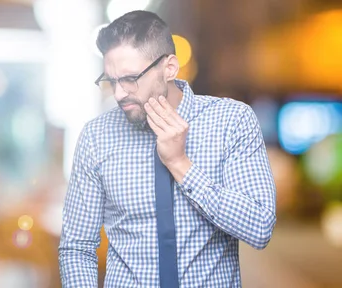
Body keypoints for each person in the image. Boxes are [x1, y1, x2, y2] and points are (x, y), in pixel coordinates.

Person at [58, 10, 276, 288]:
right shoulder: (96, 136)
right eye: (112, 80)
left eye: (130, 78)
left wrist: (180, 164)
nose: (119, 93)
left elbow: (259, 227)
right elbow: (78, 247)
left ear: (170, 68)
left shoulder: (232, 122)